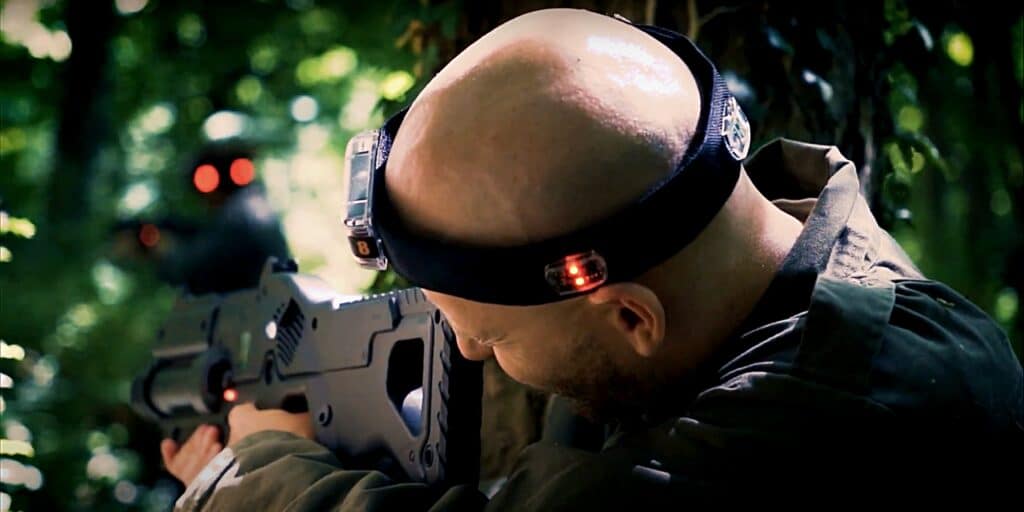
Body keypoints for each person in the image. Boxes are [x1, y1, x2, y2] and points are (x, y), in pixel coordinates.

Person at [161, 9, 1023, 510]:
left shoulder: (847, 414)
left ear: (631, 315)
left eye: (492, 336)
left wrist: (252, 476)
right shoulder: (734, 286)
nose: (464, 352)